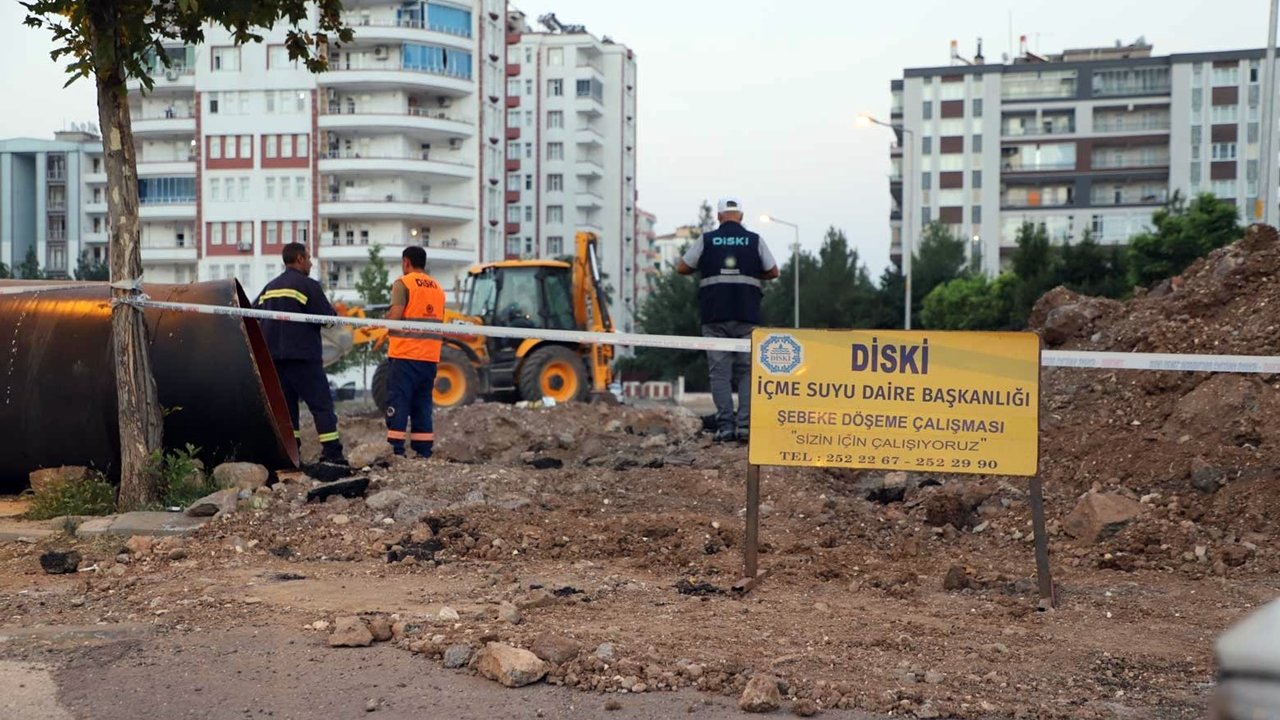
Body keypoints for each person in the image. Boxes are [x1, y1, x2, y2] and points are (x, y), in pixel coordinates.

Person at [677, 198, 779, 443]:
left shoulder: (707, 239)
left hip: (714, 316)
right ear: (741, 216)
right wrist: (752, 272)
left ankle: (725, 427)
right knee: (746, 372)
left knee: (720, 374)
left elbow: (682, 267)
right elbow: (774, 271)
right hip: (747, 315)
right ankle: (744, 427)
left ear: (719, 216)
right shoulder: (754, 240)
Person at [255, 242, 346, 464]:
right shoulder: (308, 286)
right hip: (304, 358)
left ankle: (291, 455)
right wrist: (336, 313)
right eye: (308, 257)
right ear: (299, 259)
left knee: (287, 411)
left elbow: (252, 312)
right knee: (321, 406)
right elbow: (327, 319)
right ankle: (332, 453)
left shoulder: (270, 287)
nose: (311, 262)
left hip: (275, 359)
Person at [385, 246, 447, 458]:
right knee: (422, 403)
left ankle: (395, 450)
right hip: (429, 357)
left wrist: (381, 324)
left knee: (399, 400)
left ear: (406, 262)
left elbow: (395, 315)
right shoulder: (438, 288)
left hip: (405, 355)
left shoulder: (403, 283)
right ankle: (423, 451)